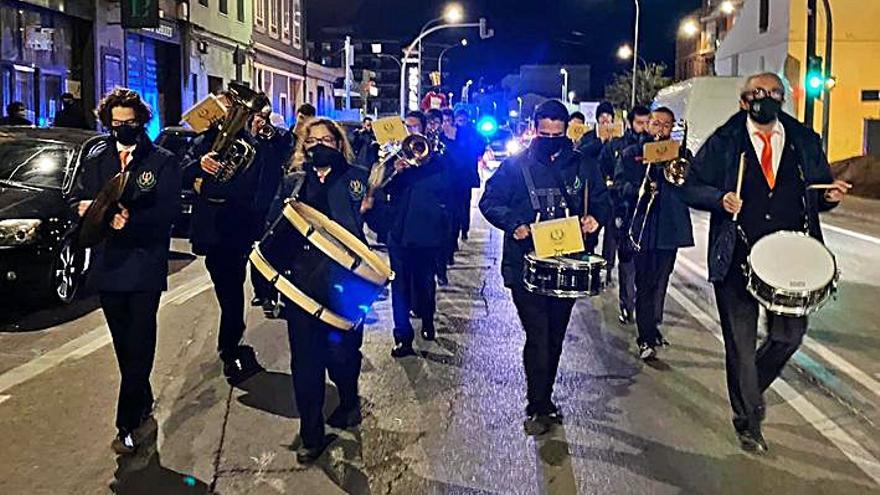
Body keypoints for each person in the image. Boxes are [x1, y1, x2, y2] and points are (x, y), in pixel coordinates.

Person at [681, 72, 851, 453]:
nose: (766, 98)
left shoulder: (804, 140)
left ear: (783, 98)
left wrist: (831, 197)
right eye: (757, 93)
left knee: (789, 336)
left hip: (792, 258)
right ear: (744, 101)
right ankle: (748, 421)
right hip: (737, 253)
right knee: (740, 346)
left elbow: (819, 188)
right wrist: (720, 198)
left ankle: (748, 386)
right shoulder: (725, 140)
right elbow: (691, 186)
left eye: (773, 92)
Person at [479, 100, 609, 436]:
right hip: (526, 263)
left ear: (567, 130)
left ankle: (545, 392)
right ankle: (537, 402)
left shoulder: (584, 166)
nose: (551, 137)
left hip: (566, 264)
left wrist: (596, 218)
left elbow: (604, 202)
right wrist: (514, 224)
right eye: (544, 131)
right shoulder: (515, 166)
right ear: (535, 129)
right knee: (537, 335)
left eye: (557, 132)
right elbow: (489, 201)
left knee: (555, 336)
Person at [70, 88, 181, 454]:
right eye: (116, 124)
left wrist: (131, 222)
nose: (122, 129)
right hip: (108, 265)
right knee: (124, 345)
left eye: (129, 123)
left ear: (142, 122)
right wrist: (84, 207)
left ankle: (126, 421)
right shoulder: (99, 156)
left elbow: (167, 214)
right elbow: (79, 195)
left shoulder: (162, 161)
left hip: (143, 265)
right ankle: (142, 397)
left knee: (140, 341)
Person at [269, 117, 371, 464]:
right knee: (305, 363)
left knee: (343, 356)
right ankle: (311, 433)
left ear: (338, 143)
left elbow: (376, 223)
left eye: (327, 139)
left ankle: (348, 400)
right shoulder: (293, 182)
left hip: (346, 285)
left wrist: (381, 198)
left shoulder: (357, 179)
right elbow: (274, 227)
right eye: (311, 140)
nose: (318, 145)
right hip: (302, 285)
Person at [183, 88, 279, 386]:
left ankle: (230, 346)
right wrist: (199, 168)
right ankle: (230, 343)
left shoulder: (251, 146)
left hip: (235, 227)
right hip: (211, 229)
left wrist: (210, 186)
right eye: (225, 107)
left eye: (232, 108)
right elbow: (179, 172)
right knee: (227, 289)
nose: (226, 114)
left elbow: (257, 186)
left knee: (232, 291)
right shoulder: (201, 143)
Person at [615, 107, 694, 361]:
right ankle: (645, 336)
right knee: (645, 283)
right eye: (656, 124)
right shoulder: (632, 154)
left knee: (661, 280)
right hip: (642, 226)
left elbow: (690, 186)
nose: (661, 129)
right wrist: (640, 187)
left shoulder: (681, 154)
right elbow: (618, 184)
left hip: (669, 228)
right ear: (648, 125)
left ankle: (652, 327)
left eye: (667, 125)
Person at [386, 110, 451, 357]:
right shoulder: (395, 157)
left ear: (424, 130)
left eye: (415, 127)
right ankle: (402, 336)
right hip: (399, 232)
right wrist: (396, 170)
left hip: (427, 231)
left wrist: (429, 161)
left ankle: (427, 319)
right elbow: (381, 188)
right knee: (399, 285)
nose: (411, 132)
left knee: (425, 282)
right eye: (407, 127)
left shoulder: (438, 158)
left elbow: (449, 188)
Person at [602, 105, 651, 324]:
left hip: (649, 213)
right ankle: (627, 304)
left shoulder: (656, 146)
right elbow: (605, 170)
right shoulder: (618, 145)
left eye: (647, 122)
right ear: (630, 123)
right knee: (627, 258)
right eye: (639, 123)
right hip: (623, 207)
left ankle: (647, 312)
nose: (644, 127)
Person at [249, 107, 296, 317]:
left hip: (274, 199)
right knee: (256, 250)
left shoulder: (279, 135)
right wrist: (251, 133)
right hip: (251, 203)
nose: (260, 120)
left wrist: (271, 132)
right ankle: (262, 292)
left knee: (277, 249)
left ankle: (280, 293)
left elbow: (288, 147)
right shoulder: (245, 139)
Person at [450, 108, 485, 241]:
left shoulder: (473, 133)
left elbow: (480, 147)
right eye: (459, 120)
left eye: (463, 120)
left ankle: (464, 228)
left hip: (466, 174)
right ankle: (457, 230)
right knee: (455, 205)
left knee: (465, 204)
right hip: (454, 175)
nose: (461, 122)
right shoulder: (453, 132)